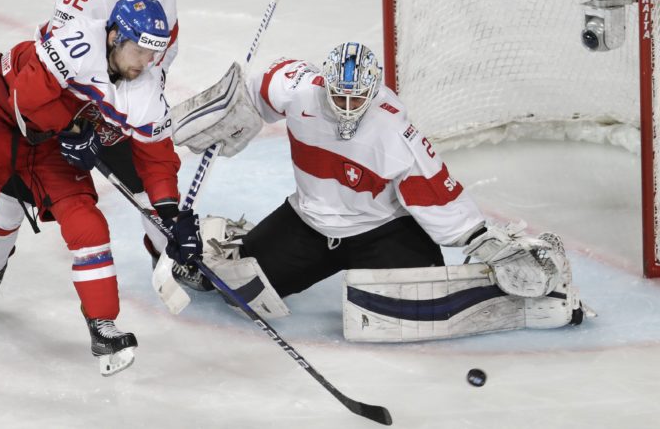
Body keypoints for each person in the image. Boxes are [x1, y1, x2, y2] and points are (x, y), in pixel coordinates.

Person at [168, 42, 592, 342]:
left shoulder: (393, 129)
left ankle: (531, 300)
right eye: (338, 96)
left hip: (382, 231)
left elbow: (434, 191)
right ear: (324, 84)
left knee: (428, 304)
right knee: (238, 293)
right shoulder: (299, 88)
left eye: (356, 99)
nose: (345, 107)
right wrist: (233, 110)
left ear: (373, 91)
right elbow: (256, 88)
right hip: (308, 223)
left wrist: (481, 239)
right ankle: (231, 242)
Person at [0, 0, 201, 376]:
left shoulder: (144, 84)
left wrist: (169, 213)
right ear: (114, 36)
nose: (147, 62)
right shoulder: (77, 40)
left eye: (154, 53)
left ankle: (103, 325)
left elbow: (157, 157)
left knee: (88, 225)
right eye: (140, 50)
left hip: (47, 145)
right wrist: (74, 128)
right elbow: (27, 98)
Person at [0, 0, 181, 317]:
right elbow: (58, 70)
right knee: (12, 195)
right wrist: (73, 127)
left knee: (150, 189)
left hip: (117, 106)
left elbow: (161, 58)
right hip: (66, 110)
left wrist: (141, 105)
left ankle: (172, 257)